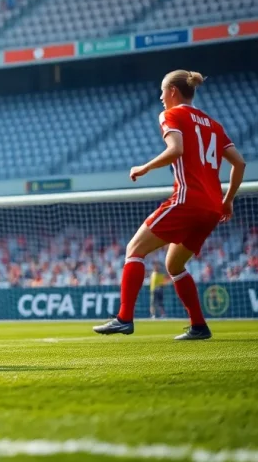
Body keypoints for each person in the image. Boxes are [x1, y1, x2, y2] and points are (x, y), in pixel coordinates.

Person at [93, 70, 246, 340]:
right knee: (174, 266)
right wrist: (228, 199)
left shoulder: (171, 115)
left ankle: (124, 318)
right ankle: (199, 326)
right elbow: (240, 163)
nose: (161, 97)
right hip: (211, 208)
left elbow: (176, 149)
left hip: (188, 200)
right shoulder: (213, 124)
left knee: (134, 249)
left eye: (163, 91)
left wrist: (144, 167)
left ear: (173, 91)